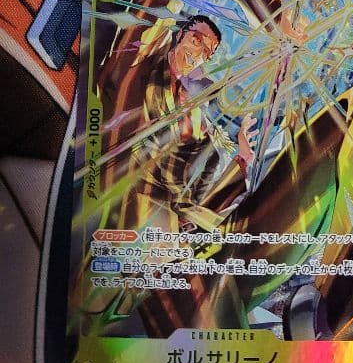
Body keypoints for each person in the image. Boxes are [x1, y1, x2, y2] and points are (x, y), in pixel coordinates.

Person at [103, 13, 257, 233]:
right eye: (196, 41)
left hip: (167, 207)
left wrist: (242, 157)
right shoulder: (146, 67)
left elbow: (207, 165)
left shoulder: (192, 104)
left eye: (207, 52)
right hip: (129, 190)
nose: (199, 53)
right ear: (181, 35)